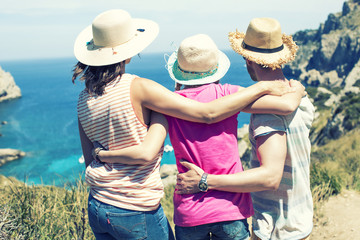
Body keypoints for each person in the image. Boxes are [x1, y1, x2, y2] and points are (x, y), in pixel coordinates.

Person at [73, 10, 294, 240]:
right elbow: (208, 112)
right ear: (128, 54)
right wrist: (267, 88)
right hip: (142, 207)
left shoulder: (83, 100)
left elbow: (90, 160)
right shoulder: (141, 89)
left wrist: (105, 154)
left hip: (101, 206)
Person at [175, 18, 315, 240]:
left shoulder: (266, 111)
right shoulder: (301, 97)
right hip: (300, 218)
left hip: (276, 226)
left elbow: (269, 177)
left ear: (248, 60)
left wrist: (205, 181)